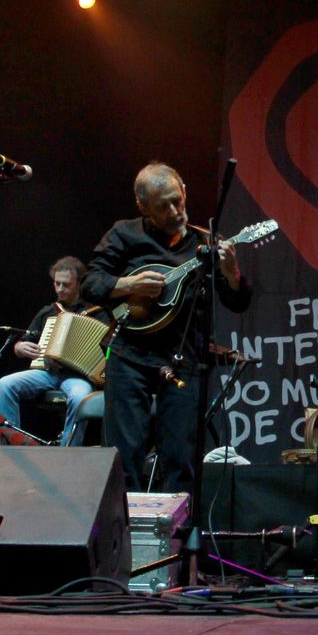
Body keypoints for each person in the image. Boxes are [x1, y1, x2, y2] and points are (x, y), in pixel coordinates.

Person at [82, 162, 251, 493]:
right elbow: (90, 283)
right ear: (143, 207)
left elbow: (238, 302)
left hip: (184, 358)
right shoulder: (124, 234)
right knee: (123, 454)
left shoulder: (204, 245)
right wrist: (127, 284)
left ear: (185, 191)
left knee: (180, 457)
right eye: (163, 206)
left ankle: (176, 537)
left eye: (178, 200)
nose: (175, 211)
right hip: (130, 354)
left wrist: (231, 273)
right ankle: (123, 535)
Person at [0, 257, 109, 446]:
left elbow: (107, 350)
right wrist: (21, 348)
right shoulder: (48, 311)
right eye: (57, 283)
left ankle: (67, 451)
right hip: (46, 372)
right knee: (5, 384)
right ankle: (10, 443)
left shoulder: (97, 313)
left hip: (77, 376)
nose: (60, 289)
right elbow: (23, 343)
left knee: (80, 398)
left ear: (79, 283)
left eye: (66, 285)